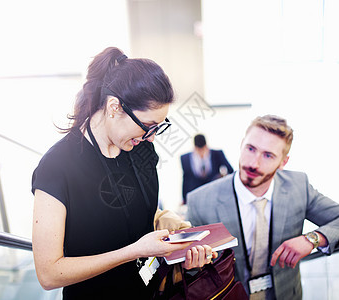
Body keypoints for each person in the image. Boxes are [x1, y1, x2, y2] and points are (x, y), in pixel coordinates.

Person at [31, 47, 216, 299]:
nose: (149, 137)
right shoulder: (58, 166)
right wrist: (134, 251)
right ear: (114, 107)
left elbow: (135, 213)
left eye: (158, 128)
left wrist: (176, 235)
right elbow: (49, 274)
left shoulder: (141, 151)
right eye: (147, 126)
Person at [187, 115, 339, 299]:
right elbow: (188, 273)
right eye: (250, 148)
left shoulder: (298, 186)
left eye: (268, 155)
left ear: (283, 162)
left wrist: (311, 239)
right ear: (241, 144)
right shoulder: (200, 201)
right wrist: (192, 265)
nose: (253, 163)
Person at [180, 134, 233, 204]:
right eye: (199, 150)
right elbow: (185, 179)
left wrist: (222, 176)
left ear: (206, 146)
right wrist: (184, 198)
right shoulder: (185, 158)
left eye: (203, 149)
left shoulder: (217, 154)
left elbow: (230, 170)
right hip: (195, 195)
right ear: (195, 148)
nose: (201, 153)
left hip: (214, 194)